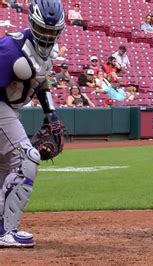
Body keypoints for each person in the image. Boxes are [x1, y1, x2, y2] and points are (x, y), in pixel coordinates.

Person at [0, 0, 66, 248]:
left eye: (53, 31)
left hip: (9, 109)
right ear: (31, 23)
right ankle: (5, 230)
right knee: (27, 157)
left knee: (5, 169)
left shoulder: (47, 52)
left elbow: (40, 78)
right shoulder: (10, 50)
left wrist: (50, 112)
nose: (48, 36)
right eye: (43, 29)